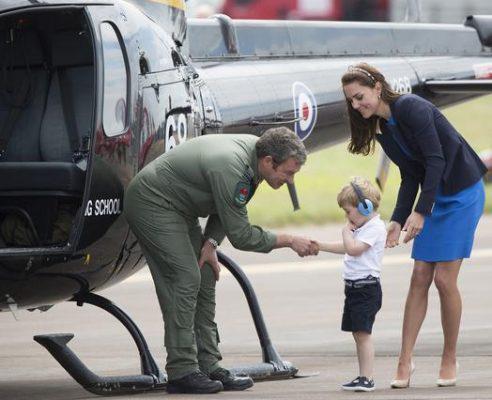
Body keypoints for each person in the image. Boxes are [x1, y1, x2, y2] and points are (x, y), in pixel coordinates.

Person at [124, 127, 318, 394]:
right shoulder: (233, 167)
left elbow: (227, 205)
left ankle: (208, 365)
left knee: (204, 274)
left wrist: (211, 242)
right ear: (269, 161)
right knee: (185, 277)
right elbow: (241, 235)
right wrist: (289, 240)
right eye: (288, 172)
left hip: (181, 207)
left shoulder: (256, 156)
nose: (290, 180)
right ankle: (182, 371)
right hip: (153, 202)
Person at [341, 63, 487, 388]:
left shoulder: (411, 108)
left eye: (359, 96)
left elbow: (436, 159)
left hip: (461, 192)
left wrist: (421, 211)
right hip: (434, 195)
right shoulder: (383, 128)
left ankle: (449, 357)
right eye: (351, 100)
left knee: (445, 281)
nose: (356, 105)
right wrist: (397, 218)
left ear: (378, 87)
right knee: (420, 275)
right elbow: (410, 174)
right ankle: (405, 360)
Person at [317, 177, 386, 392]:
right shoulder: (362, 226)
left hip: (366, 289)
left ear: (364, 207)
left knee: (363, 334)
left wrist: (346, 232)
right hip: (354, 288)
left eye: (348, 211)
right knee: (358, 333)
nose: (346, 217)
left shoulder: (375, 228)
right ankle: (362, 375)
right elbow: (347, 247)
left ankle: (368, 378)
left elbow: (354, 249)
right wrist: (320, 245)